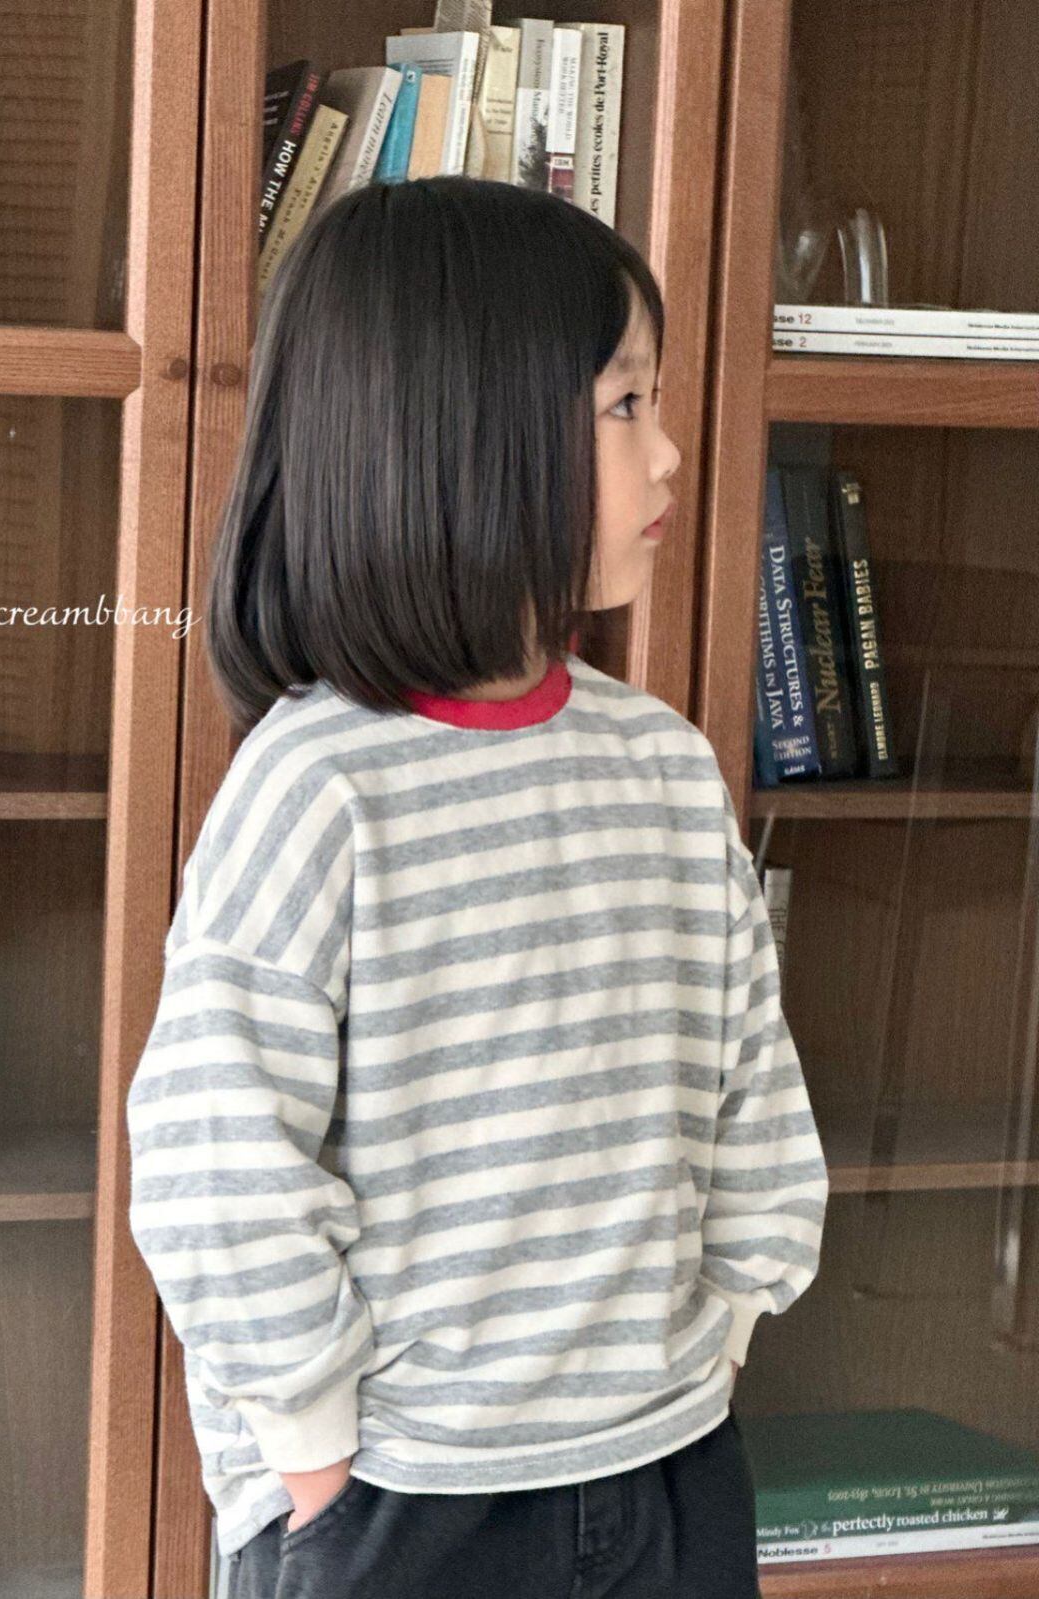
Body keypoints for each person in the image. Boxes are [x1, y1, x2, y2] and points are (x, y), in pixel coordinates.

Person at [125, 174, 829, 1599]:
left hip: (669, 1469)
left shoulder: (663, 767)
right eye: (625, 405)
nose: (671, 455)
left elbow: (747, 1077)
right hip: (400, 1504)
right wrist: (318, 1462)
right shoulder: (316, 790)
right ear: (463, 437)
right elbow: (216, 1159)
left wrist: (728, 1327)